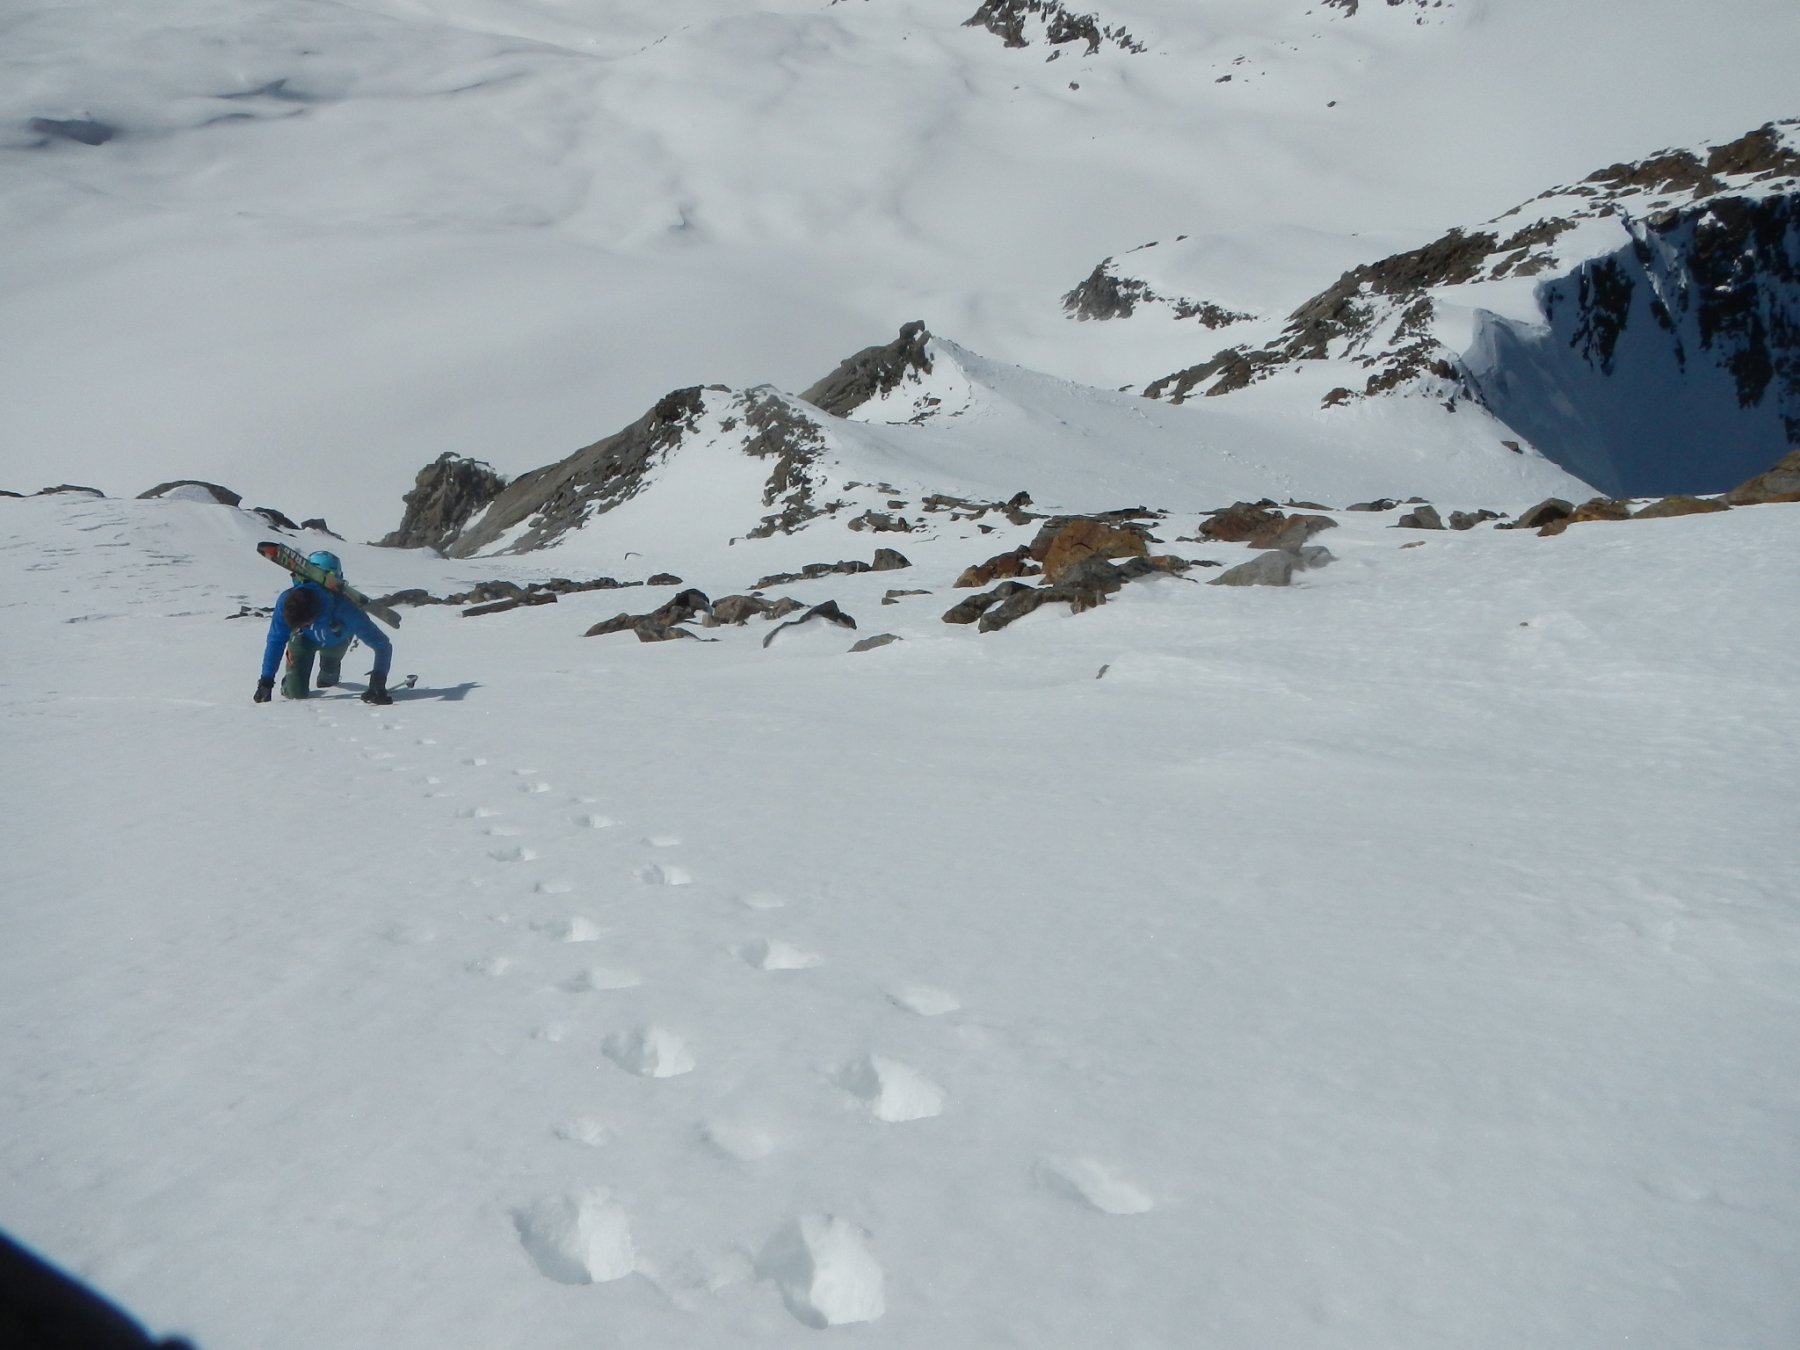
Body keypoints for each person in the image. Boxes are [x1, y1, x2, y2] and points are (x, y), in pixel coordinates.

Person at [253, 550, 395, 705]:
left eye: (306, 623)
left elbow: (382, 645)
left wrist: (378, 680)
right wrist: (266, 681)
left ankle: (330, 669)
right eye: (299, 625)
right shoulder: (286, 602)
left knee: (328, 681)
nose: (306, 626)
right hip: (304, 640)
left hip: (337, 640)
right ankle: (293, 679)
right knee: (296, 693)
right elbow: (276, 640)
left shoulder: (345, 609)